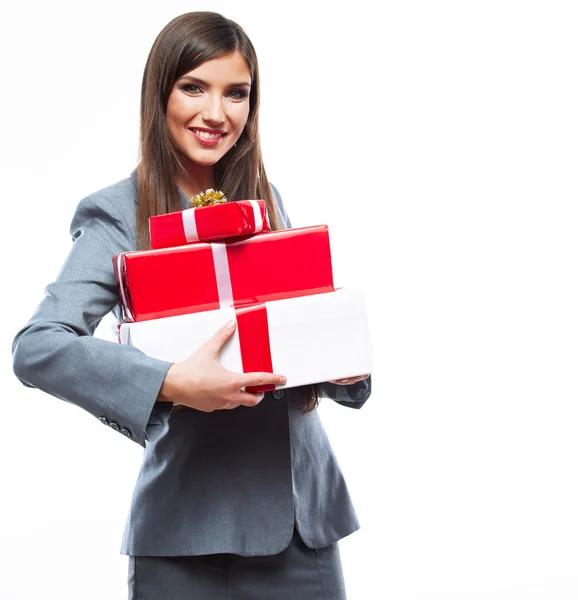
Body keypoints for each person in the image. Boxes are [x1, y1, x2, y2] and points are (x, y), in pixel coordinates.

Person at [11, 11, 371, 600]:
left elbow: (288, 332)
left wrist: (341, 363)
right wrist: (171, 382)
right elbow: (38, 346)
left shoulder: (266, 201)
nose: (216, 113)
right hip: (187, 540)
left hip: (303, 528)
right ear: (160, 94)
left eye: (237, 93)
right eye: (194, 87)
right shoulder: (118, 213)